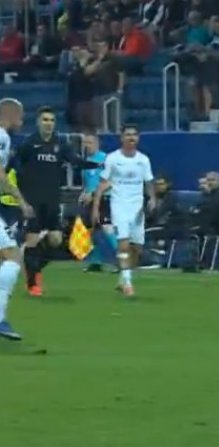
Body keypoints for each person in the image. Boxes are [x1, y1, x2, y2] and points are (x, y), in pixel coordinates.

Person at [13, 106, 97, 296]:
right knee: (32, 239)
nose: (48, 123)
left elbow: (75, 161)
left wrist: (97, 165)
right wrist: (21, 198)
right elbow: (15, 166)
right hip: (33, 200)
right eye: (45, 120)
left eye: (51, 120)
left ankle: (34, 267)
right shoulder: (29, 144)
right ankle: (33, 283)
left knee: (56, 240)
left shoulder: (60, 143)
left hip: (52, 200)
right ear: (38, 122)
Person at [92, 125, 156, 297]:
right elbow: (102, 184)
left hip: (138, 207)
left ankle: (123, 278)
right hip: (119, 205)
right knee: (123, 243)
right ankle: (127, 283)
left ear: (138, 138)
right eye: (128, 135)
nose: (131, 138)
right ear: (122, 138)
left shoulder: (143, 160)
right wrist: (96, 207)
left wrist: (152, 199)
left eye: (134, 135)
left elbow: (149, 181)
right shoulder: (113, 158)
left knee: (137, 248)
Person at [0, 97, 32, 340]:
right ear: (10, 115)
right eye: (20, 116)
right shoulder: (2, 137)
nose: (22, 121)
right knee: (12, 257)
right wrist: (21, 200)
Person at [80, 132, 117, 272]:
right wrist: (84, 194)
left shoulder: (105, 159)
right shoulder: (86, 162)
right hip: (90, 201)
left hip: (105, 199)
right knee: (92, 231)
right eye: (85, 143)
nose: (87, 145)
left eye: (90, 143)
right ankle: (96, 262)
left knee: (108, 229)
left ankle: (123, 260)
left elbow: (112, 180)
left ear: (97, 144)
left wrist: (94, 193)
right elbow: (88, 183)